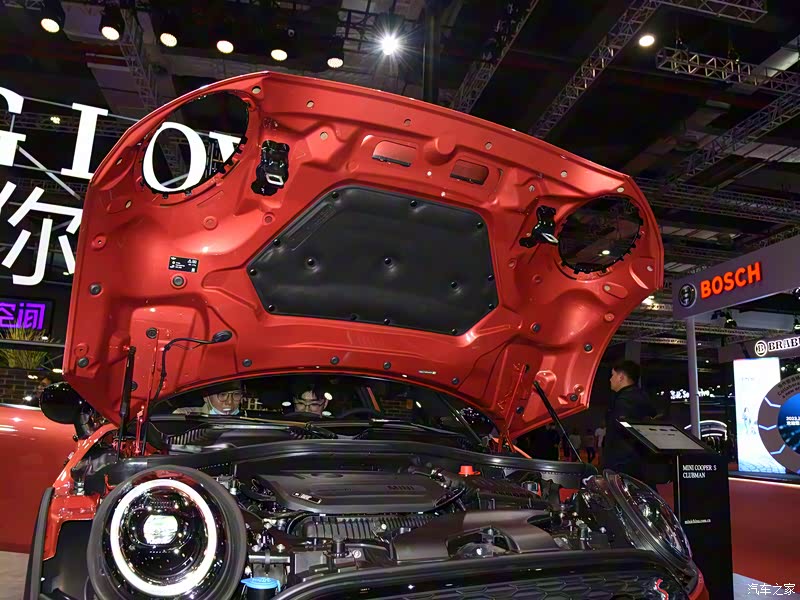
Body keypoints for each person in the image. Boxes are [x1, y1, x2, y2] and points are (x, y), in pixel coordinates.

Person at [603, 360, 662, 484]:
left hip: (624, 464)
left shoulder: (624, 401)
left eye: (612, 375)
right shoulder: (641, 397)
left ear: (621, 377)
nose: (610, 379)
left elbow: (620, 433)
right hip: (640, 462)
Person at [174, 382, 245, 416]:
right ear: (206, 397)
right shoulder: (184, 416)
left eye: (236, 394)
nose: (229, 401)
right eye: (222, 395)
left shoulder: (248, 419)